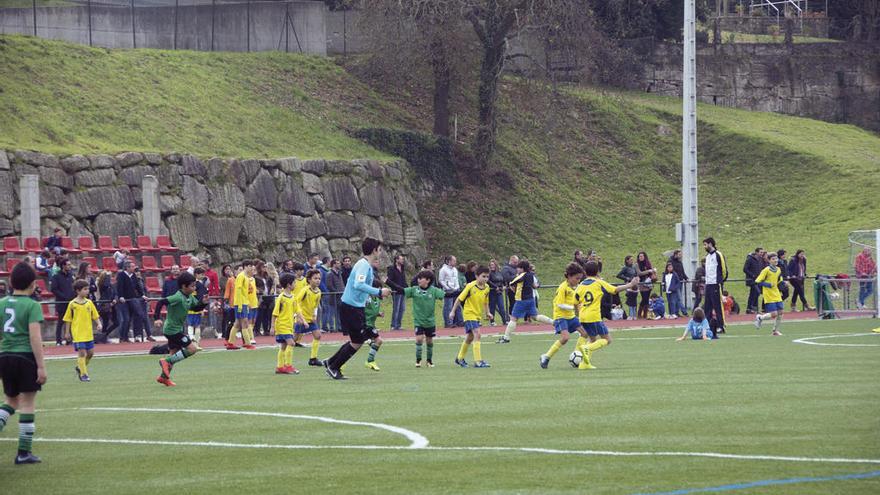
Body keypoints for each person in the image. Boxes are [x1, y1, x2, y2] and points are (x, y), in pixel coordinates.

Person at [323, 238, 392, 380]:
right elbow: (358, 284)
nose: (380, 252)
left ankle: (330, 362)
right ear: (374, 250)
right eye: (379, 249)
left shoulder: (366, 265)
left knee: (356, 339)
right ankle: (334, 367)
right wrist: (378, 292)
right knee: (357, 341)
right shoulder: (364, 265)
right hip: (351, 307)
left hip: (355, 307)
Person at [0, 262, 46, 465]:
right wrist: (41, 366)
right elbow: (35, 338)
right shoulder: (32, 305)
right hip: (25, 356)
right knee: (27, 402)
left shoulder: (1, 304)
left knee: (10, 400)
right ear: (34, 284)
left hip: (5, 356)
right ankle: (23, 452)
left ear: (11, 282)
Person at [574, 261, 639, 370]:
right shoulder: (599, 282)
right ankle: (586, 348)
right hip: (594, 316)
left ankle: (584, 364)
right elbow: (614, 290)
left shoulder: (580, 285)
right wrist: (630, 284)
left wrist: (578, 314)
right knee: (607, 339)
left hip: (583, 316)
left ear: (585, 272)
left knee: (593, 339)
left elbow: (575, 301)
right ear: (597, 271)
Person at [156, 272, 209, 387]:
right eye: (192, 286)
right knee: (192, 349)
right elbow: (161, 302)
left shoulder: (189, 296)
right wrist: (157, 318)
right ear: (184, 286)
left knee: (173, 353)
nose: (194, 288)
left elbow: (195, 308)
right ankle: (166, 361)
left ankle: (163, 378)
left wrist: (203, 303)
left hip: (177, 329)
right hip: (172, 330)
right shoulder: (178, 297)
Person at [540, 263, 585, 369]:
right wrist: (572, 307)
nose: (578, 281)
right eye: (577, 278)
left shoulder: (576, 287)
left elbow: (577, 302)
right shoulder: (562, 287)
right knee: (565, 338)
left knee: (584, 334)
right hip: (561, 317)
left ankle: (576, 353)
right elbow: (560, 304)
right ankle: (546, 357)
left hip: (571, 317)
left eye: (580, 279)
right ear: (569, 276)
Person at [500, 260, 554, 343]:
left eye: (518, 268)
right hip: (530, 299)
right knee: (535, 316)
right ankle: (554, 322)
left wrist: (514, 290)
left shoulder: (522, 275)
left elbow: (511, 283)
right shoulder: (531, 275)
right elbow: (534, 286)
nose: (517, 269)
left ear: (522, 268)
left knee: (513, 318)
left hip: (521, 300)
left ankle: (506, 337)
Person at [449, 266, 492, 368]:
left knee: (470, 337)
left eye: (487, 277)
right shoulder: (470, 286)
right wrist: (452, 311)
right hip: (469, 313)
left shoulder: (487, 288)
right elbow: (459, 299)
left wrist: (488, 313)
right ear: (476, 276)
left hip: (477, 315)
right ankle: (478, 361)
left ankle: (459, 358)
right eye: (483, 276)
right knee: (477, 334)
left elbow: (486, 302)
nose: (485, 279)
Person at [404, 270, 446, 367]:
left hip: (430, 321)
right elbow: (400, 290)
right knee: (419, 339)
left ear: (428, 280)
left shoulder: (434, 290)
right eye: (418, 278)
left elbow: (446, 295)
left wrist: (463, 292)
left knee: (429, 341)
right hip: (418, 321)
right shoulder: (414, 290)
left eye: (420, 278)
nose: (418, 280)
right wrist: (388, 282)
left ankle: (429, 360)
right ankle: (418, 360)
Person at [63, 280, 101, 381]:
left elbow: (95, 315)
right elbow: (68, 319)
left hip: (88, 332)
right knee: (82, 353)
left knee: (91, 353)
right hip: (78, 333)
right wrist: (67, 332)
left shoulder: (89, 303)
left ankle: (80, 367)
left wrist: (99, 323)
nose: (87, 291)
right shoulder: (72, 304)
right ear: (78, 291)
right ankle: (84, 374)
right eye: (85, 289)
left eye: (87, 289)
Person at [271, 273, 300, 375]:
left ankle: (279, 367)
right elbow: (275, 313)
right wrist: (272, 326)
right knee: (291, 343)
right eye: (294, 282)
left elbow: (297, 310)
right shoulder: (281, 297)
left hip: (289, 325)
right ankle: (288, 366)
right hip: (282, 325)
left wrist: (303, 321)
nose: (295, 284)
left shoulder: (293, 297)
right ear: (289, 284)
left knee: (283, 346)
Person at [295, 269, 324, 367]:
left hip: (310, 319)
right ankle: (285, 360)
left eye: (319, 278)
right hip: (301, 318)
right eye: (315, 278)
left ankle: (313, 359)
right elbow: (296, 302)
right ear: (309, 280)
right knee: (293, 340)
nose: (318, 280)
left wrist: (314, 315)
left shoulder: (319, 292)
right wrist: (298, 316)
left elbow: (316, 305)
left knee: (318, 335)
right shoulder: (305, 290)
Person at [754, 251, 787, 336]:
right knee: (774, 314)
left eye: (776, 258)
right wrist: (768, 284)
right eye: (773, 259)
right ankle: (760, 317)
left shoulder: (778, 269)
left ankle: (775, 331)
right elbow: (757, 281)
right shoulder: (766, 270)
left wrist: (783, 284)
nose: (775, 260)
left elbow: (779, 280)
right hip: (768, 294)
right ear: (769, 260)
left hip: (776, 293)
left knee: (781, 312)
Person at [702, 237, 728, 335]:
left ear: (710, 244)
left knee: (718, 306)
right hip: (708, 284)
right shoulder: (707, 257)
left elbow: (724, 269)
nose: (704, 247)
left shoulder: (718, 255)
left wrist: (720, 281)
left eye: (705, 244)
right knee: (707, 306)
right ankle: (708, 325)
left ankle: (721, 326)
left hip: (716, 284)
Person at [228, 260, 256, 350]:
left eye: (252, 266)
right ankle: (247, 343)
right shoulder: (241, 276)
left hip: (243, 302)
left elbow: (244, 292)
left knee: (238, 323)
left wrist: (247, 303)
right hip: (240, 303)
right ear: (245, 266)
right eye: (250, 266)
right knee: (244, 322)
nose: (251, 268)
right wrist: (240, 305)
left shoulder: (245, 277)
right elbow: (238, 291)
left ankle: (231, 343)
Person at [50, 257, 74, 346]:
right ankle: (58, 340)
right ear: (63, 266)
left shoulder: (71, 276)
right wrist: (64, 297)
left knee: (70, 322)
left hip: (70, 303)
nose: (69, 266)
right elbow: (54, 289)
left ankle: (69, 339)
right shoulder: (56, 277)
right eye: (68, 265)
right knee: (61, 322)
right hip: (61, 303)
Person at [364, 281, 385, 371]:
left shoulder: (376, 299)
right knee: (379, 340)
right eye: (379, 289)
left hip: (370, 324)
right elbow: (360, 309)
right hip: (365, 324)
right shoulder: (367, 298)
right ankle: (370, 360)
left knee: (354, 345)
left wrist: (378, 314)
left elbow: (372, 311)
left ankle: (338, 363)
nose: (381, 292)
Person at [185, 267, 208, 346]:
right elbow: (201, 297)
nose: (203, 276)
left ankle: (192, 339)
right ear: (196, 274)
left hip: (190, 307)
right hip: (197, 307)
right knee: (196, 325)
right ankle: (196, 342)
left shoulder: (189, 284)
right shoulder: (199, 285)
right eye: (201, 274)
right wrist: (202, 308)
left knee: (190, 324)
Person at [385, 254, 408, 331]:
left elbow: (403, 279)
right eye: (401, 259)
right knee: (396, 309)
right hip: (396, 291)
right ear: (396, 260)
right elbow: (389, 281)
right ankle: (393, 325)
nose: (402, 260)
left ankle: (398, 325)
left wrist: (407, 288)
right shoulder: (391, 269)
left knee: (402, 308)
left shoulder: (402, 268)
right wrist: (395, 288)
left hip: (403, 291)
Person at [439, 255, 461, 328]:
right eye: (454, 260)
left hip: (456, 290)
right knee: (448, 307)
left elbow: (456, 279)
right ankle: (448, 323)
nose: (455, 262)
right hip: (448, 291)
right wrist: (447, 287)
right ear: (449, 261)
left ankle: (459, 321)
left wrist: (457, 287)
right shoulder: (443, 269)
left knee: (457, 306)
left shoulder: (455, 269)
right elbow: (441, 280)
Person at [743, 247, 767, 314]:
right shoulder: (750, 259)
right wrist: (752, 275)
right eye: (760, 252)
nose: (762, 254)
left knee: (753, 293)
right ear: (756, 252)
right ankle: (752, 307)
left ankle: (750, 308)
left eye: (762, 252)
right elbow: (745, 269)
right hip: (751, 280)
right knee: (757, 292)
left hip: (758, 280)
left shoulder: (760, 259)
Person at [96, 270, 118, 340]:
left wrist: (115, 299)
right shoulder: (102, 284)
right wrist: (107, 276)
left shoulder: (111, 285)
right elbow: (105, 285)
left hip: (112, 305)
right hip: (105, 304)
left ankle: (104, 336)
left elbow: (115, 293)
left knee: (116, 322)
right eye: (109, 277)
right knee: (106, 321)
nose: (110, 278)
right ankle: (103, 337)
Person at [616, 256, 639, 320]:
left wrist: (637, 279)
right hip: (628, 285)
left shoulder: (633, 267)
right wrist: (626, 278)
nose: (632, 261)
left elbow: (636, 275)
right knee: (630, 300)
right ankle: (631, 315)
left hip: (635, 285)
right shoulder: (625, 268)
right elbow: (618, 275)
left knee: (634, 300)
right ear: (627, 260)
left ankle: (634, 315)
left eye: (632, 259)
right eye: (631, 260)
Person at [487, 259, 509, 326]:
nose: (492, 266)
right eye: (491, 265)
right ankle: (492, 321)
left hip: (499, 292)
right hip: (492, 292)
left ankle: (504, 321)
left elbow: (503, 280)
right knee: (492, 307)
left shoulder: (499, 273)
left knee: (501, 307)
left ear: (496, 265)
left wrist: (504, 286)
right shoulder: (489, 273)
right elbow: (488, 281)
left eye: (493, 265)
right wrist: (495, 287)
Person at [325, 259, 344, 332]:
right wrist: (336, 291)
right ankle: (332, 327)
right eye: (338, 263)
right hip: (333, 296)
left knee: (339, 313)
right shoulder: (329, 273)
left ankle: (339, 327)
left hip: (340, 296)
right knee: (332, 313)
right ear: (334, 264)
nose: (339, 264)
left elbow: (341, 283)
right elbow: (329, 285)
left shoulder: (339, 273)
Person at [636, 252, 656, 319]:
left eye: (642, 256)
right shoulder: (637, 264)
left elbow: (652, 271)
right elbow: (639, 273)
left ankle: (645, 314)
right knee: (644, 298)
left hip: (648, 282)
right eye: (639, 256)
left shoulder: (648, 263)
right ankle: (639, 313)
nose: (640, 257)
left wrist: (653, 271)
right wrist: (648, 271)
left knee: (647, 298)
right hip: (641, 283)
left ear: (645, 256)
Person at [669, 249, 690, 314]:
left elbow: (682, 272)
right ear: (675, 254)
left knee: (677, 298)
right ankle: (684, 312)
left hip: (680, 282)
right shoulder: (671, 262)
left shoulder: (680, 262)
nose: (680, 256)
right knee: (678, 298)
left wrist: (686, 278)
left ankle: (676, 312)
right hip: (675, 282)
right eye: (679, 254)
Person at [221, 265, 238, 344]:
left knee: (242, 322)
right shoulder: (230, 280)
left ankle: (246, 341)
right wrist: (226, 300)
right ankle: (227, 338)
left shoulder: (242, 279)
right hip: (232, 304)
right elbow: (227, 292)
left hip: (241, 304)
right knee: (231, 322)